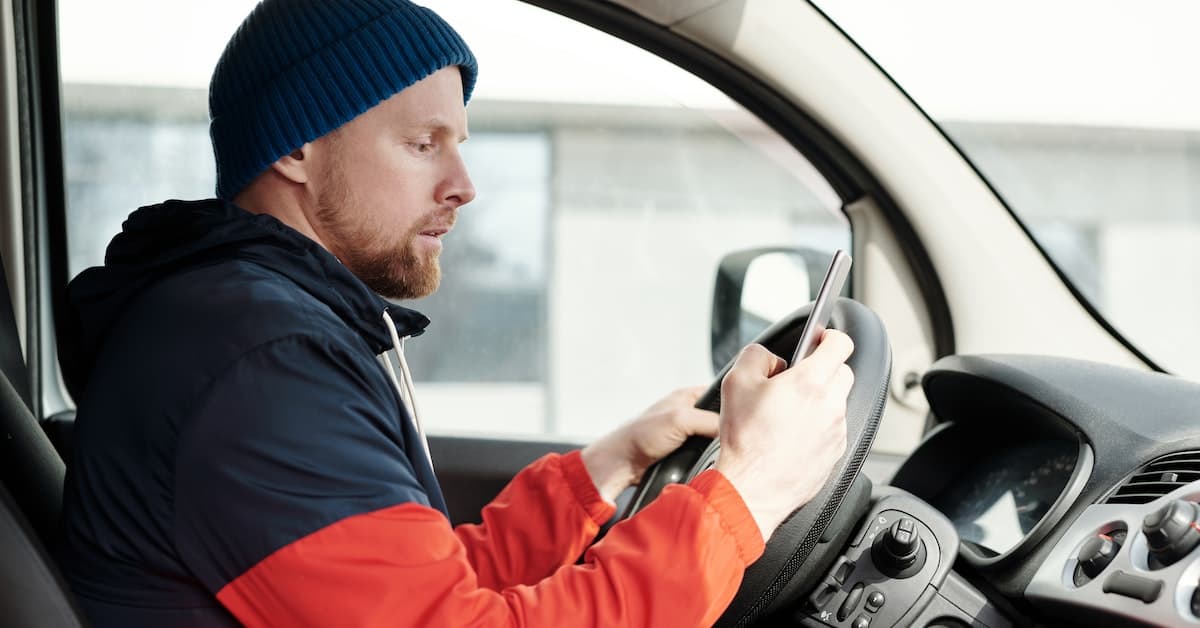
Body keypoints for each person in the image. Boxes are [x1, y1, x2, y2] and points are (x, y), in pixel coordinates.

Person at [57, 0, 854, 626]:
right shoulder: (256, 365)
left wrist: (610, 466)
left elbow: (413, 584)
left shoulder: (247, 327)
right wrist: (748, 490)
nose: (464, 184)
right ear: (297, 149)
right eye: (422, 143)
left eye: (459, 142)